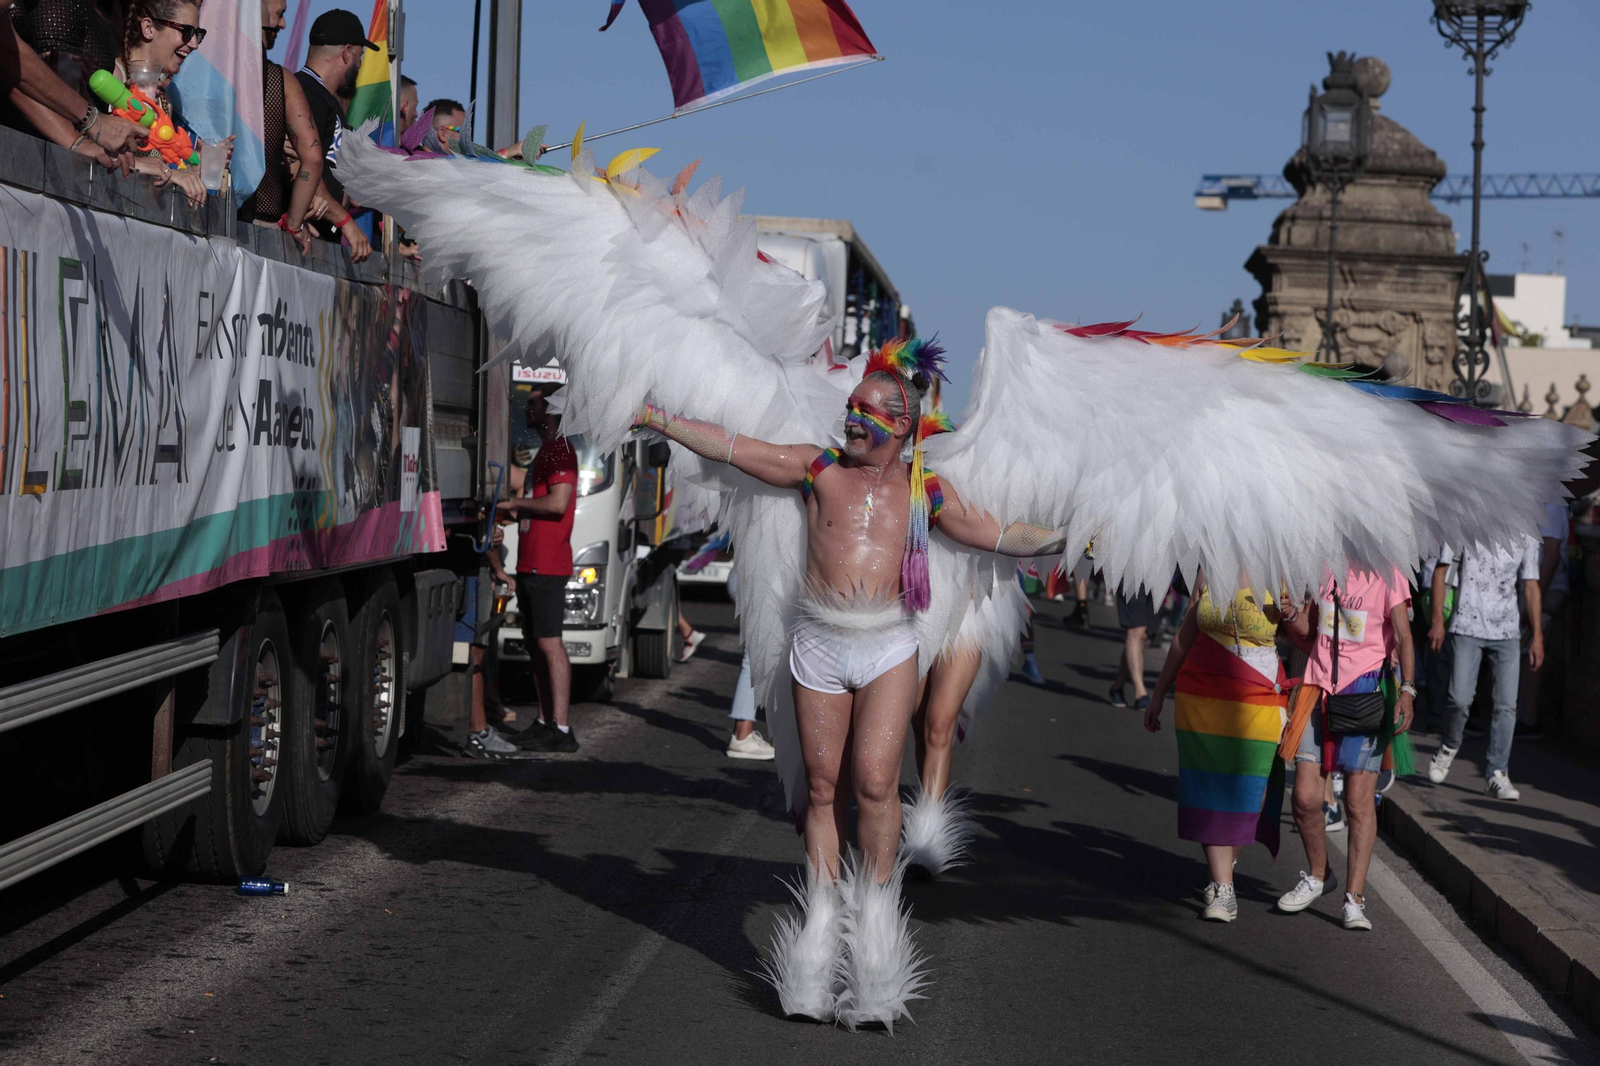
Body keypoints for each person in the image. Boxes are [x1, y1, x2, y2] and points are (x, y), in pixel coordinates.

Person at [636, 337, 1065, 1027]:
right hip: (818, 643)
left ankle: (875, 923)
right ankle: (822, 913)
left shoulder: (926, 488)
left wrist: (1078, 535)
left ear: (900, 424)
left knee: (873, 782)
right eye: (850, 406)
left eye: (867, 410)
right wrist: (655, 416)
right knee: (824, 786)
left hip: (887, 644)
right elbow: (732, 447)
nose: (852, 418)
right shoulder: (816, 469)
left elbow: (1000, 534)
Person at [1276, 567, 1416, 931]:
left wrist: (1407, 690)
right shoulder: (1323, 568)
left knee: (1356, 801)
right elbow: (1310, 635)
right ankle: (1320, 875)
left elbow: (1403, 635)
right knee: (1305, 799)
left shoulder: (1389, 573)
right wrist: (1291, 614)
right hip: (1316, 690)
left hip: (1366, 695)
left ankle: (1354, 899)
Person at [1144, 573, 1286, 922]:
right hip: (1203, 692)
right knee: (1209, 787)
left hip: (1261, 691)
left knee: (1254, 789)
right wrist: (1159, 692)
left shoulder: (1283, 565)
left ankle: (1225, 863)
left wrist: (1294, 614)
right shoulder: (1209, 563)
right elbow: (1184, 634)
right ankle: (1223, 888)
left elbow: (1305, 636)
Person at [1426, 535, 1542, 800]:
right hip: (1467, 623)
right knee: (1460, 699)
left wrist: (1537, 636)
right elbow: (1442, 570)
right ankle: (1449, 746)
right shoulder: (1468, 517)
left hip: (1508, 629)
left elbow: (1531, 584)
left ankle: (1497, 772)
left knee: (1507, 706)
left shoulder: (1527, 531)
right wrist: (1437, 621)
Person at [499, 387, 579, 753]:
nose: (527, 409)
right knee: (535, 644)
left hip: (549, 564)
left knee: (549, 643)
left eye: (532, 403)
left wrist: (516, 502)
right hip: (532, 562)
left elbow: (559, 502)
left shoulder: (559, 450)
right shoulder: (545, 452)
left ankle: (561, 728)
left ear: (549, 409)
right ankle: (547, 720)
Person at [0, 0, 147, 166]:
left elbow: (12, 69)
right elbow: (10, 56)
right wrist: (93, 121)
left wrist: (79, 141)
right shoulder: (61, 7)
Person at [237, 0, 321, 256]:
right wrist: (294, 224)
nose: (283, 24)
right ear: (255, 11)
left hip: (206, 216)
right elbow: (314, 157)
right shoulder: (280, 80)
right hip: (263, 229)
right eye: (280, 14)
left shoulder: (207, 68)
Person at [295, 8, 372, 261]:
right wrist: (346, 222)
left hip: (317, 241)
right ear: (346, 53)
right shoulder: (304, 93)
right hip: (297, 241)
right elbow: (304, 164)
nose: (359, 65)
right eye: (359, 57)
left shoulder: (326, 99)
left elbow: (327, 165)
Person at [463, 526, 522, 758]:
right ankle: (479, 732)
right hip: (470, 562)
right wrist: (498, 568)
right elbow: (483, 529)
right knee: (476, 651)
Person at [1110, 585, 1155, 709]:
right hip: (1132, 576)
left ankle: (1117, 687)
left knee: (1143, 635)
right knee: (1136, 631)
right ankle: (1140, 693)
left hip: (1157, 578)